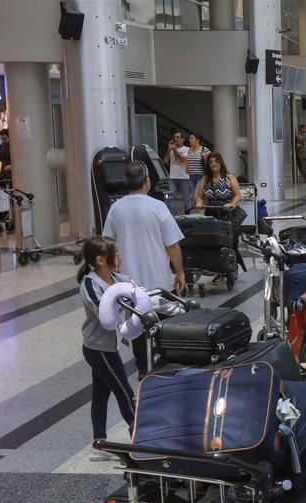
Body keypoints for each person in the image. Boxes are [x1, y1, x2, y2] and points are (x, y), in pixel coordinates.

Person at [101, 162, 186, 375]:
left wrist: (110, 281)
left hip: (129, 288)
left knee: (138, 332)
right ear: (147, 181)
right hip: (161, 285)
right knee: (165, 331)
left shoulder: (116, 208)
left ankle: (143, 372)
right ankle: (165, 372)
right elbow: (172, 244)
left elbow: (107, 245)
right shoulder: (158, 207)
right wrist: (180, 272)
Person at [76, 236, 137, 462]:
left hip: (108, 346)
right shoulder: (90, 284)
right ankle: (139, 440)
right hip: (98, 349)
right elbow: (104, 315)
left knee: (101, 393)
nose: (120, 258)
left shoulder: (118, 278)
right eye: (116, 254)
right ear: (101, 260)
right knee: (124, 392)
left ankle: (98, 443)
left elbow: (136, 293)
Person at [163, 131, 191, 215]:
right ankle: (175, 217)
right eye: (175, 137)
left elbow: (183, 159)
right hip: (173, 177)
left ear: (183, 139)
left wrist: (175, 151)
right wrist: (169, 150)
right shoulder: (171, 149)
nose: (176, 139)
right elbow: (165, 161)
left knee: (186, 200)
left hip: (184, 177)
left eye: (178, 137)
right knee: (171, 198)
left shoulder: (187, 149)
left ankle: (188, 217)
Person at [183, 134, 210, 199]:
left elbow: (211, 161)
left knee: (196, 196)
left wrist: (205, 158)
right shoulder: (189, 150)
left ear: (197, 140)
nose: (190, 140)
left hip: (201, 176)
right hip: (191, 176)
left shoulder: (204, 150)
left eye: (192, 138)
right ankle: (201, 207)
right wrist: (186, 168)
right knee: (194, 197)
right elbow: (186, 160)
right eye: (189, 138)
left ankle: (202, 206)